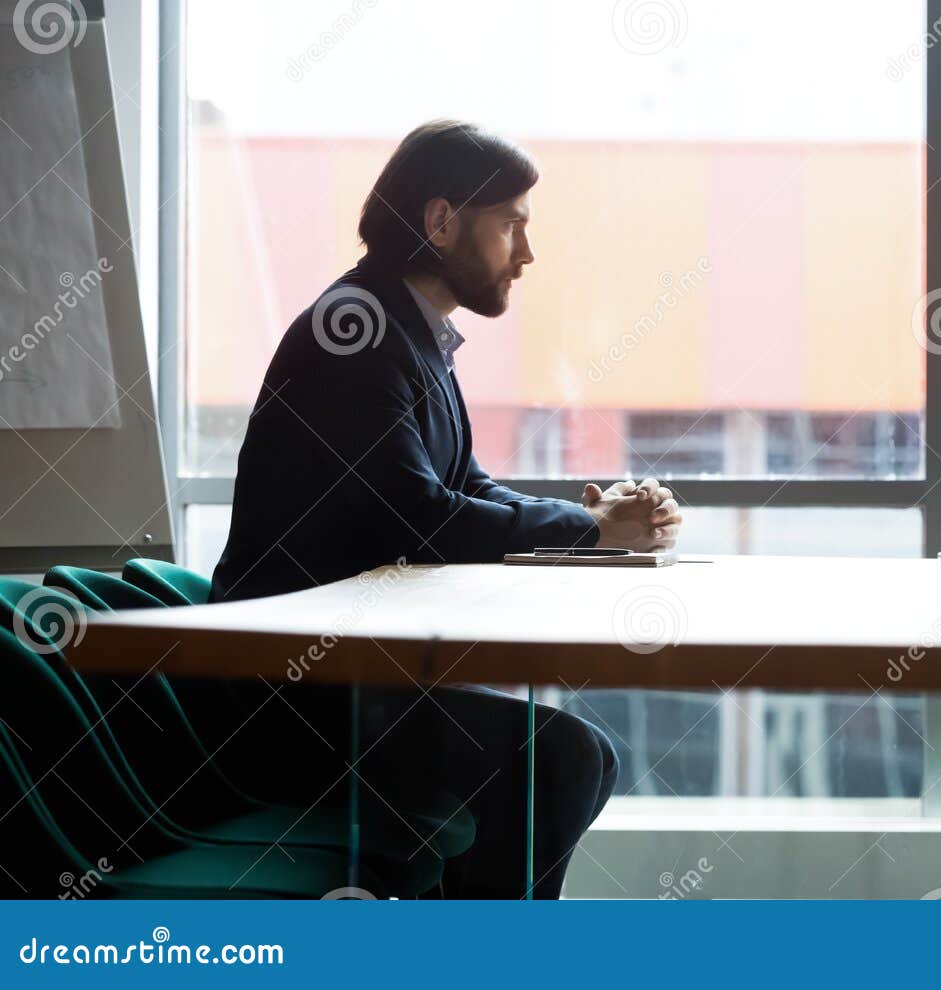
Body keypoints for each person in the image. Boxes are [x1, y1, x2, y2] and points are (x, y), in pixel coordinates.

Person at [206, 120, 684, 897]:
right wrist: (591, 532)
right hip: (292, 701)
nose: (526, 255)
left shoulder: (404, 330)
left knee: (569, 760)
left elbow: (464, 487)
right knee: (561, 761)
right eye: (511, 225)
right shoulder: (355, 338)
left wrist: (599, 522)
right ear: (440, 222)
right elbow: (423, 518)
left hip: (350, 681)